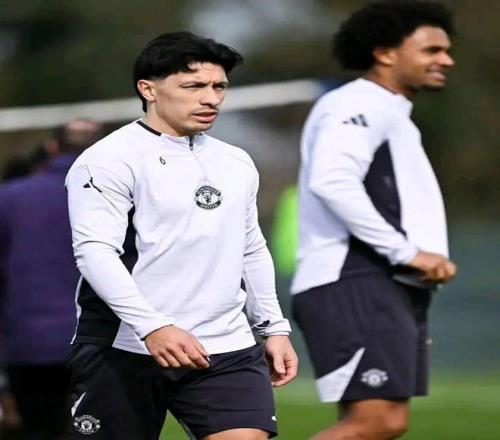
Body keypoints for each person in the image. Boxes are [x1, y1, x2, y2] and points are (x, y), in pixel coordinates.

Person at [65, 31, 297, 440]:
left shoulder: (236, 161)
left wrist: (274, 327)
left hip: (225, 349)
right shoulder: (107, 160)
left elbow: (250, 247)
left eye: (219, 86)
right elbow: (95, 253)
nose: (211, 98)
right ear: (149, 89)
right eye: (194, 86)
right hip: (125, 347)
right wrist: (153, 327)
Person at [291, 2, 457, 439]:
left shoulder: (392, 112)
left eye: (446, 50)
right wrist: (406, 252)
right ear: (384, 53)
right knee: (377, 422)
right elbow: (332, 181)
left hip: (381, 282)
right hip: (354, 277)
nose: (446, 60)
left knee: (381, 423)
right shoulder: (358, 103)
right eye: (432, 50)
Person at [0, 119, 104, 439]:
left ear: (51, 146)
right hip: (103, 343)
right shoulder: (122, 197)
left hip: (28, 342)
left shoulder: (9, 198)